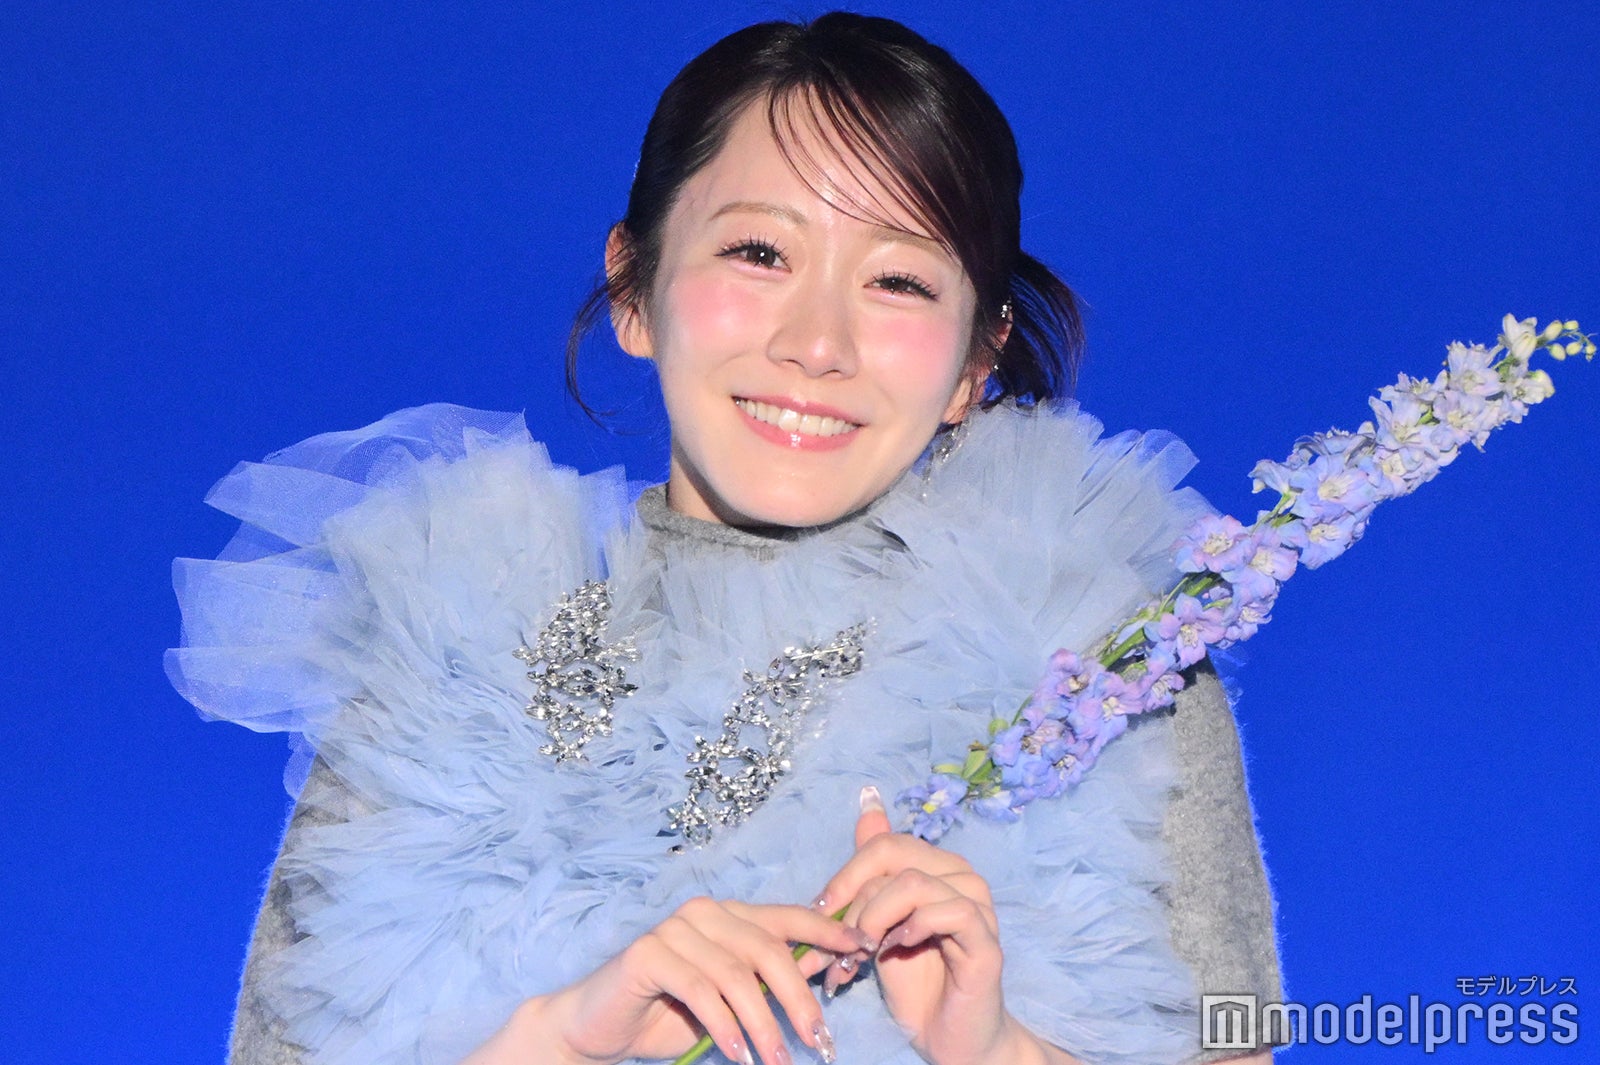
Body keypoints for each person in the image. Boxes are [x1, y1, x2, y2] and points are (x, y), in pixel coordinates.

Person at [167, 13, 1280, 1065]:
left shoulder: (1096, 651)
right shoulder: (445, 651)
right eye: (758, 253)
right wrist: (565, 1038)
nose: (818, 341)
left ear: (974, 364)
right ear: (633, 287)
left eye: (897, 279)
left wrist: (996, 1051)